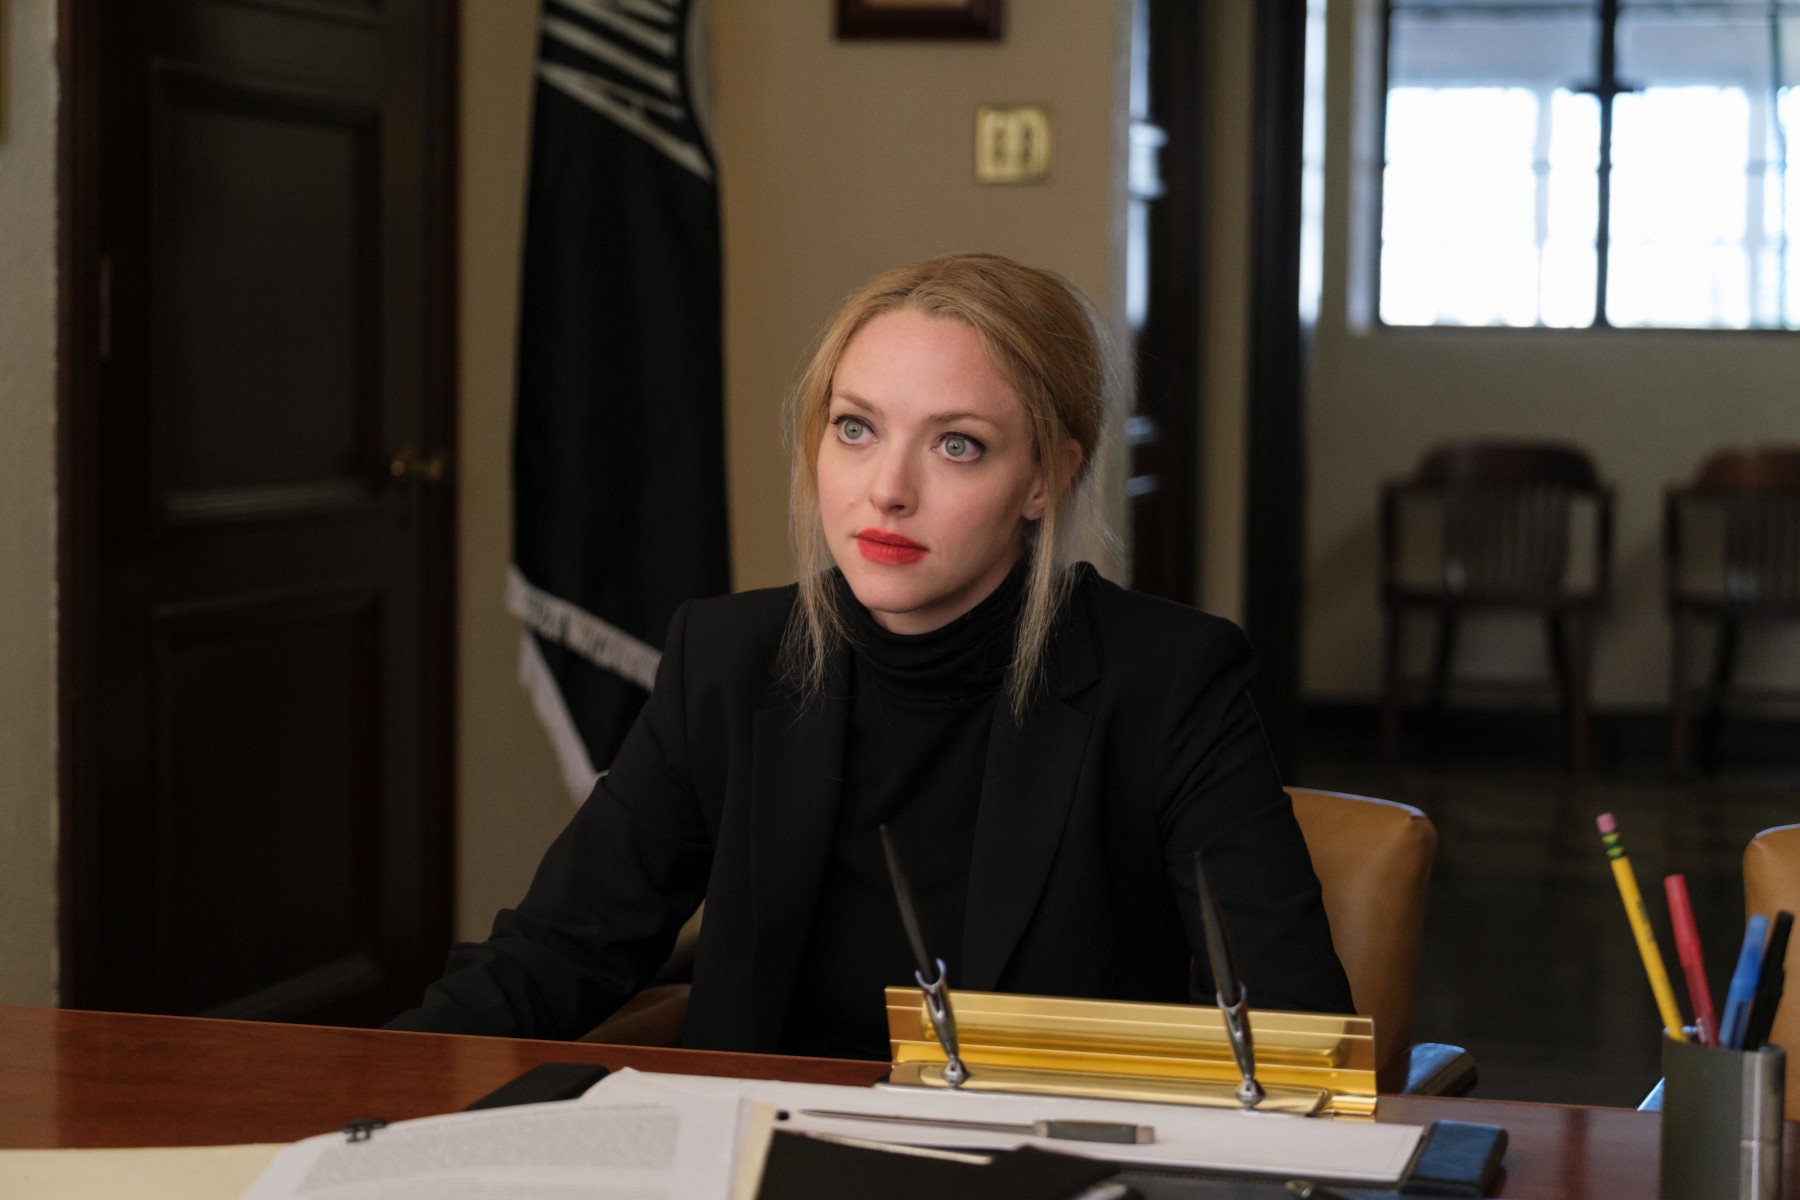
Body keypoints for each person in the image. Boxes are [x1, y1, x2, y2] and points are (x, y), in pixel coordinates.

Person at [389, 254, 1352, 1058]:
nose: (885, 491)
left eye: (959, 446)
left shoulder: (1171, 679)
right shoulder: (726, 659)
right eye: (856, 429)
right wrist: (356, 1098)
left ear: (1047, 478)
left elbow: (1293, 1031)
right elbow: (559, 951)